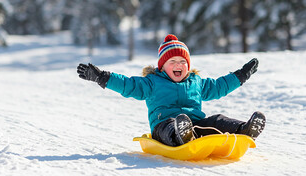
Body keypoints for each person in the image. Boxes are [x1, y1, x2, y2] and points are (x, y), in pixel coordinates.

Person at [77, 34, 266, 146]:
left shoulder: (196, 82)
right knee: (171, 124)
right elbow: (128, 85)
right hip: (163, 127)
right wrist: (102, 77)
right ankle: (181, 135)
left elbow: (219, 86)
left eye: (183, 61)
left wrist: (241, 75)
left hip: (195, 124)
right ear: (162, 66)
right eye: (172, 61)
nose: (179, 65)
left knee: (216, 120)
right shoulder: (152, 82)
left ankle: (245, 130)